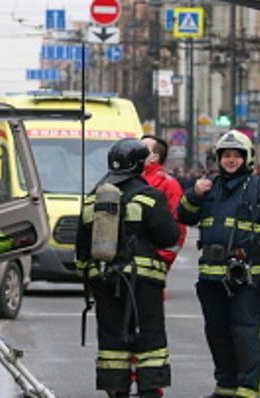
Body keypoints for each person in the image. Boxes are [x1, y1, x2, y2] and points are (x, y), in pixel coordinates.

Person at [177, 131, 260, 398]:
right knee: (217, 334)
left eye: (236, 156)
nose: (230, 161)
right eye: (226, 156)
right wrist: (194, 194)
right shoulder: (209, 188)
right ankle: (226, 387)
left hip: (249, 278)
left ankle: (250, 390)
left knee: (247, 334)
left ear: (247, 158)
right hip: (211, 277)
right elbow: (183, 216)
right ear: (218, 159)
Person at [75, 138, 179, 398]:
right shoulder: (150, 197)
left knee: (112, 340)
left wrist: (89, 278)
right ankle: (149, 390)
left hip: (103, 280)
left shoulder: (93, 199)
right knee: (149, 339)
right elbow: (169, 236)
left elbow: (81, 246)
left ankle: (116, 389)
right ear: (140, 164)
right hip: (142, 283)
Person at [141, 135, 187, 267]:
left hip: (153, 262)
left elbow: (178, 224)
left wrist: (162, 258)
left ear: (155, 157)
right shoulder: (134, 178)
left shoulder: (168, 184)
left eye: (143, 148)